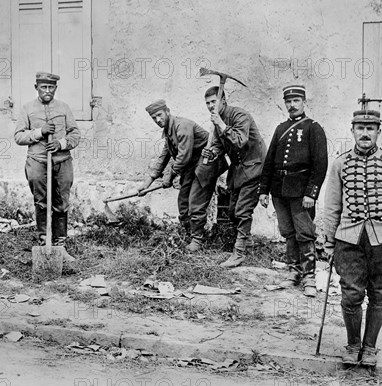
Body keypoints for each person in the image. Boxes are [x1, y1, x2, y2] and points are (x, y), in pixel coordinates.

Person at [323, 109, 382, 367]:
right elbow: (331, 206)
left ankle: (370, 347)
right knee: (351, 293)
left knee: (379, 292)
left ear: (378, 132)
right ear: (352, 130)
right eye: (360, 128)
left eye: (370, 128)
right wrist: (329, 241)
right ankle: (353, 345)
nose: (365, 133)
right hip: (349, 240)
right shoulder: (340, 163)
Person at [258, 85, 328, 297]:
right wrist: (263, 190)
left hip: (301, 192)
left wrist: (311, 193)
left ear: (304, 102)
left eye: (296, 101)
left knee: (304, 234)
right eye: (288, 101)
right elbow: (269, 162)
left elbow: (320, 164)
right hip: (279, 190)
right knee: (288, 232)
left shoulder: (313, 128)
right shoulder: (280, 129)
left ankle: (308, 277)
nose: (292, 105)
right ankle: (293, 272)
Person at [201, 86, 267, 267]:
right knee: (232, 211)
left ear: (223, 100)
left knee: (242, 211)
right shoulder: (217, 122)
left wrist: (221, 125)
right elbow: (220, 146)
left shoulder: (240, 116)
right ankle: (247, 241)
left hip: (254, 167)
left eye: (213, 101)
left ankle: (239, 253)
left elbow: (239, 141)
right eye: (207, 103)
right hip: (238, 170)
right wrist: (213, 152)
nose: (210, 106)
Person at [138, 100, 215, 252]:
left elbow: (183, 156)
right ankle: (187, 235)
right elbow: (164, 156)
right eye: (154, 118)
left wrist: (170, 176)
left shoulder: (182, 126)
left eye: (159, 115)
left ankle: (197, 240)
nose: (158, 120)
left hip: (206, 164)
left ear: (167, 111)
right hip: (191, 167)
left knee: (195, 202)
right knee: (183, 202)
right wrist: (147, 183)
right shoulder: (168, 131)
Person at [14, 72, 80, 247]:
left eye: (51, 87)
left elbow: (75, 133)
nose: (47, 91)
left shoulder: (64, 108)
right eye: (43, 87)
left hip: (62, 161)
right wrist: (39, 132)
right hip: (37, 161)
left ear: (56, 89)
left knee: (61, 203)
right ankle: (44, 242)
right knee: (41, 202)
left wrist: (61, 144)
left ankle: (60, 245)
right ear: (36, 88)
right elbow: (18, 137)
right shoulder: (27, 109)